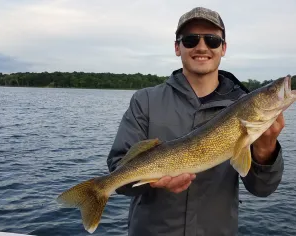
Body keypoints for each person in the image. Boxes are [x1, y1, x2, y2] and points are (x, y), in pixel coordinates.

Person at [107, 6, 285, 236]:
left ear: (224, 48)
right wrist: (150, 180)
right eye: (191, 40)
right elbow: (119, 174)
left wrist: (266, 150)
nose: (202, 47)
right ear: (177, 47)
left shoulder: (243, 109)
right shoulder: (145, 101)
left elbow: (263, 189)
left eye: (212, 40)